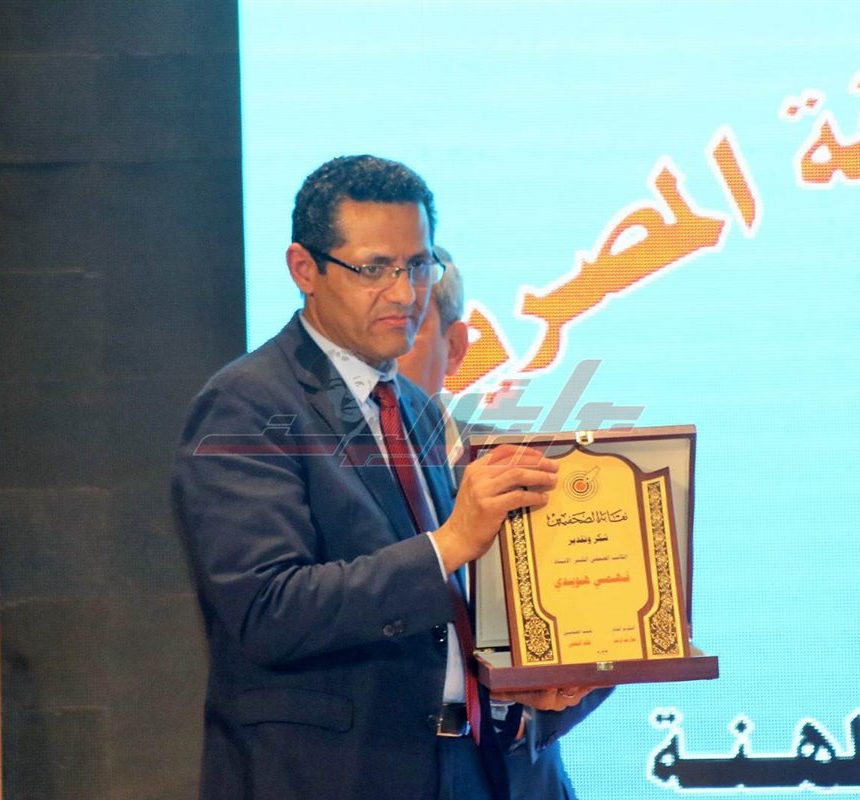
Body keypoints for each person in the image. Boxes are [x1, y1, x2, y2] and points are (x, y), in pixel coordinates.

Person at [173, 155, 580, 800]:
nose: (404, 293)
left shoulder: (415, 409)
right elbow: (267, 610)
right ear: (304, 269)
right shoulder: (247, 404)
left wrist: (533, 670)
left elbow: (446, 617)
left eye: (417, 266)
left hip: (465, 766)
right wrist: (449, 543)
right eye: (374, 269)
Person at [398, 255, 612, 800]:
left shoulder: (530, 466)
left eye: (406, 327)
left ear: (456, 347)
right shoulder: (324, 476)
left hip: (518, 779)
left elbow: (605, 619)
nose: (382, 355)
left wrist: (541, 706)